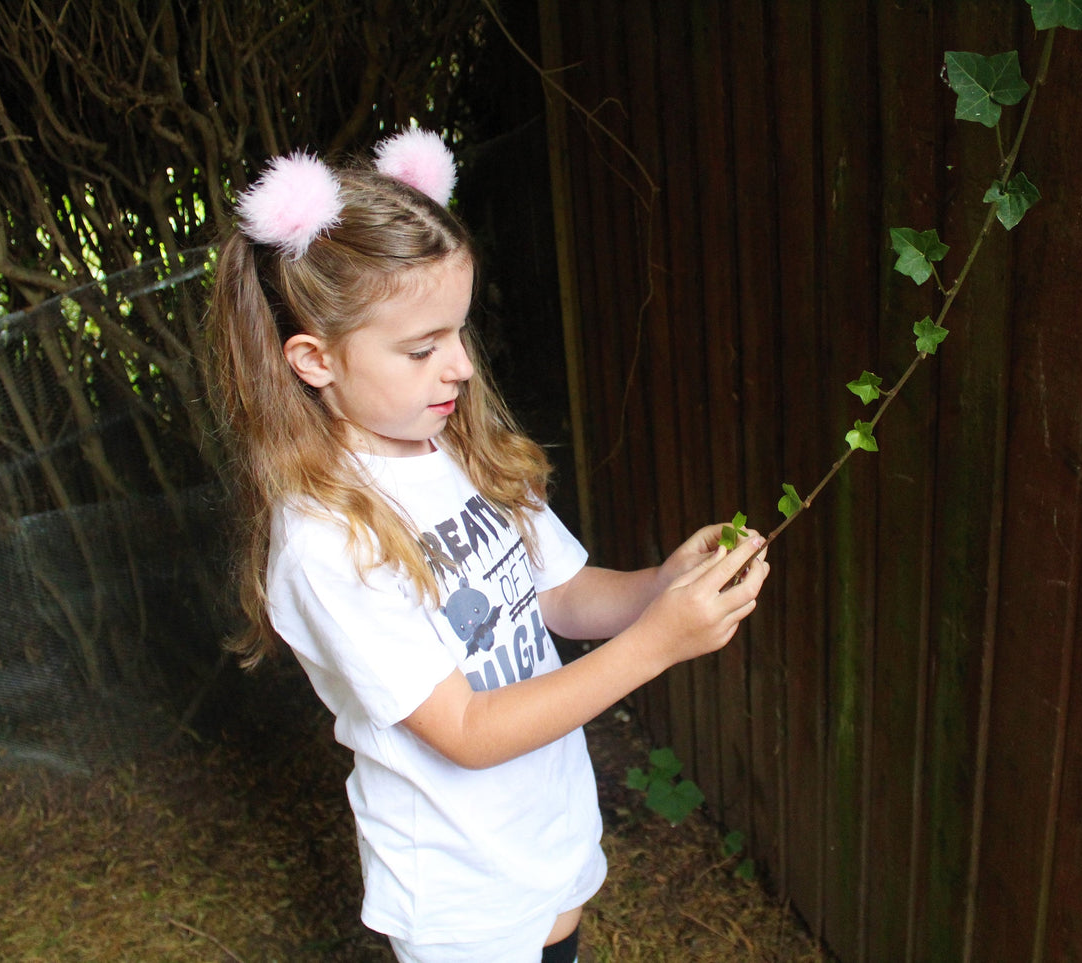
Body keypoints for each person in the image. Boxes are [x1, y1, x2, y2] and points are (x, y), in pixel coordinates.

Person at [205, 127, 771, 963]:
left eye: (459, 332)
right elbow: (464, 729)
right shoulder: (326, 540)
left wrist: (660, 585)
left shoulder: (454, 453)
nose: (461, 367)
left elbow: (561, 597)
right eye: (422, 346)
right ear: (315, 359)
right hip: (461, 900)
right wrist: (657, 646)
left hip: (544, 845)